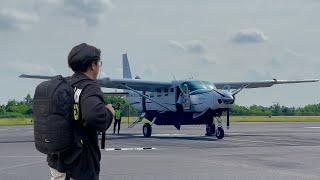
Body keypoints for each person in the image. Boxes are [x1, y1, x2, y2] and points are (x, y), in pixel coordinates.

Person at [48, 43, 115, 180]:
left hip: (57, 162)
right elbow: (94, 117)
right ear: (92, 65)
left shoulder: (63, 85)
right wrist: (109, 113)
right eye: (99, 63)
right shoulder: (89, 86)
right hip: (80, 165)